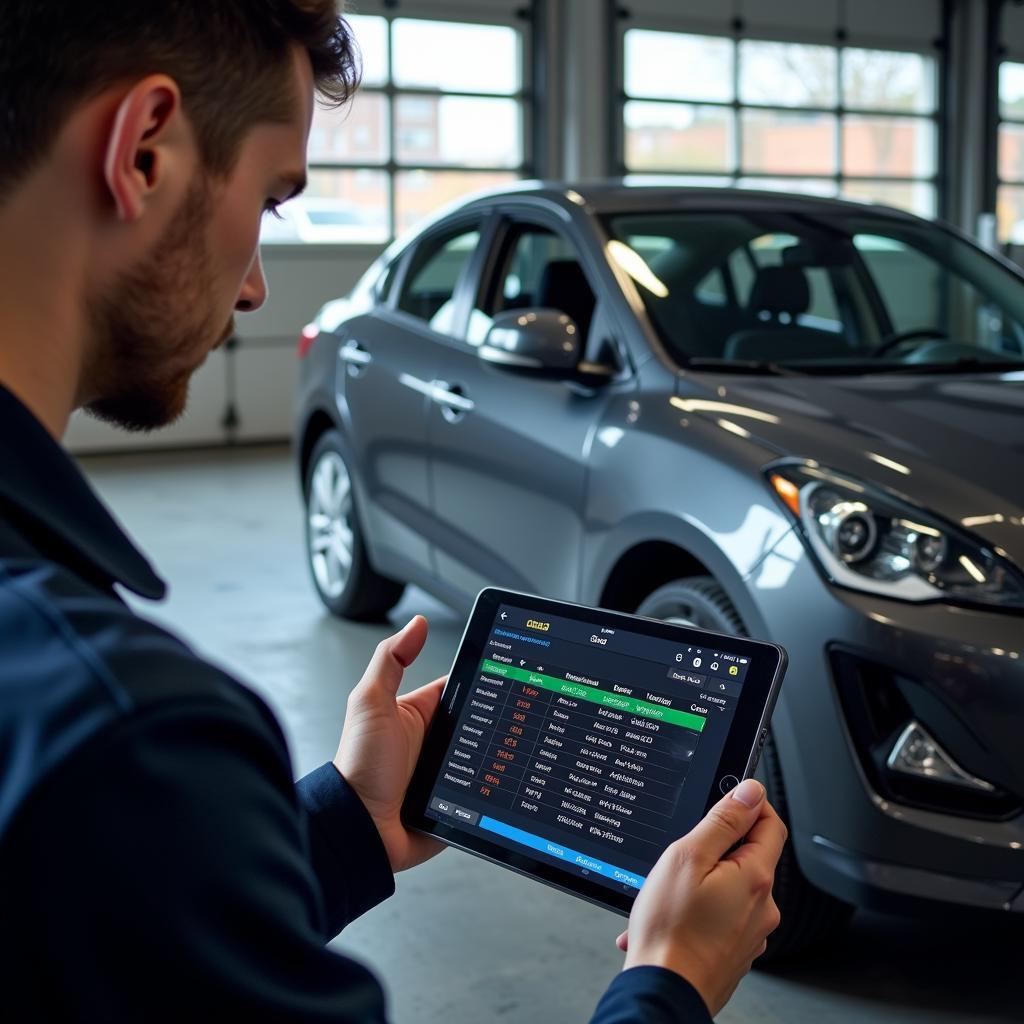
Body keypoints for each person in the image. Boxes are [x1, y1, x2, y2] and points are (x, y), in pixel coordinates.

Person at [0, 2, 786, 1020]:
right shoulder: (123, 739)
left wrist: (348, 823)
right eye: (273, 199)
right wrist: (669, 980)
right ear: (144, 151)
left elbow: (105, 928)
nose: (253, 285)